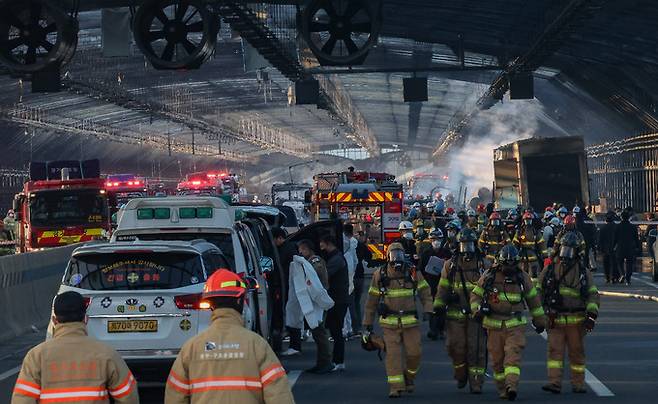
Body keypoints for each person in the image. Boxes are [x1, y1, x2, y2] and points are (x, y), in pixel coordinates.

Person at [165, 270, 294, 403]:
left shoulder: (191, 348)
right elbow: (279, 395)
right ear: (239, 301)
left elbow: (175, 397)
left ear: (210, 303)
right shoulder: (257, 345)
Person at [12, 291, 139, 404]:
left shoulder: (36, 356)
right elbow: (128, 396)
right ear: (85, 319)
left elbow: (22, 399)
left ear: (54, 321)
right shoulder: (106, 354)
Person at [471, 245, 547, 401]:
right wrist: (477, 310)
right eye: (506, 264)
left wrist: (540, 322)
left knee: (513, 356)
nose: (509, 268)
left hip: (515, 324)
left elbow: (534, 300)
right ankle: (503, 389)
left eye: (512, 264)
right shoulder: (489, 276)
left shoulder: (522, 277)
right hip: (493, 325)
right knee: (497, 361)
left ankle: (511, 385)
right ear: (499, 262)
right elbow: (476, 296)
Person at [363, 243, 433, 398]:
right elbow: (371, 300)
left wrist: (428, 309)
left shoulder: (413, 272)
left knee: (415, 354)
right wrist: (367, 323)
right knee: (393, 356)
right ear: (388, 257)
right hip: (390, 324)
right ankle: (396, 387)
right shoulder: (379, 274)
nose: (396, 260)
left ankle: (409, 377)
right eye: (393, 255)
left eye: (399, 255)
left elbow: (425, 291)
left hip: (410, 323)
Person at [538, 233, 600, 395]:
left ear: (577, 252)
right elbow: (539, 291)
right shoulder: (550, 269)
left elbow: (593, 294)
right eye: (564, 250)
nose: (566, 254)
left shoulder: (584, 273)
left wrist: (591, 315)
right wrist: (540, 315)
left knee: (577, 353)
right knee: (554, 352)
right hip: (555, 319)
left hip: (576, 321)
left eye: (570, 251)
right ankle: (554, 383)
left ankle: (578, 384)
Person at [434, 228, 486, 393]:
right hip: (455, 314)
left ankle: (476, 382)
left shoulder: (483, 264)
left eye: (470, 245)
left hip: (476, 316)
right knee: (455, 347)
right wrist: (438, 307)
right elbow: (442, 288)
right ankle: (461, 374)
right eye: (464, 245)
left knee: (476, 349)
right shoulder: (450, 266)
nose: (467, 249)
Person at [288, 245, 335, 375]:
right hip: (315, 300)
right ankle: (321, 363)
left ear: (309, 249)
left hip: (318, 301)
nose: (300, 252)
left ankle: (326, 362)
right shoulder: (308, 262)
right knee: (317, 333)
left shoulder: (315, 261)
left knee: (319, 332)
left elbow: (317, 273)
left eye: (303, 249)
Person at [320, 234, 349, 371]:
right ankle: (337, 360)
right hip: (336, 299)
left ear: (327, 243)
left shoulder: (336, 259)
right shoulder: (335, 257)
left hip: (338, 299)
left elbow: (326, 274)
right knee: (334, 329)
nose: (320, 244)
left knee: (336, 331)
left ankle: (339, 361)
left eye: (322, 242)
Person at [419, 228, 452, 340]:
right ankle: (433, 330)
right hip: (431, 284)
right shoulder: (426, 253)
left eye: (438, 239)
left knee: (442, 308)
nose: (436, 241)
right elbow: (421, 270)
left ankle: (441, 330)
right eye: (434, 239)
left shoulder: (447, 253)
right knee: (432, 308)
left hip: (444, 284)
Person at [513, 212, 547, 281]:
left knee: (533, 277)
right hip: (522, 257)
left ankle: (533, 290)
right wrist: (513, 254)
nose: (528, 222)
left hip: (533, 257)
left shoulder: (535, 232)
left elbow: (542, 244)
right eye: (526, 220)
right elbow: (515, 244)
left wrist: (545, 256)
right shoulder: (520, 232)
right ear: (523, 221)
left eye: (529, 220)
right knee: (521, 275)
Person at [353, 231, 373, 337]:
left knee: (351, 304)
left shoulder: (344, 245)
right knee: (357, 303)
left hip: (351, 276)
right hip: (360, 275)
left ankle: (354, 326)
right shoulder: (360, 245)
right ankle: (358, 326)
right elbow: (369, 256)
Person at [614, 210, 640, 285]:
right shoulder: (633, 227)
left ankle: (622, 274)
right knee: (629, 264)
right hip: (630, 247)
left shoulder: (618, 226)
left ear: (621, 217)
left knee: (619, 262)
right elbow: (636, 238)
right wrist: (638, 247)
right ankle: (628, 278)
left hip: (620, 247)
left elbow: (615, 238)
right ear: (628, 218)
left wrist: (613, 246)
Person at [343, 224, 359, 338]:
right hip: (351, 279)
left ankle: (347, 329)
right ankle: (349, 328)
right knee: (350, 306)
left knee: (345, 306)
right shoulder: (353, 244)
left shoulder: (345, 247)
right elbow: (355, 262)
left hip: (346, 281)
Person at [598, 211, 619, 283]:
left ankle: (607, 277)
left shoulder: (603, 228)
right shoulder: (616, 227)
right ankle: (614, 277)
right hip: (614, 247)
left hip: (605, 248)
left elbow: (600, 239)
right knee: (614, 263)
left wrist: (599, 248)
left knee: (606, 263)